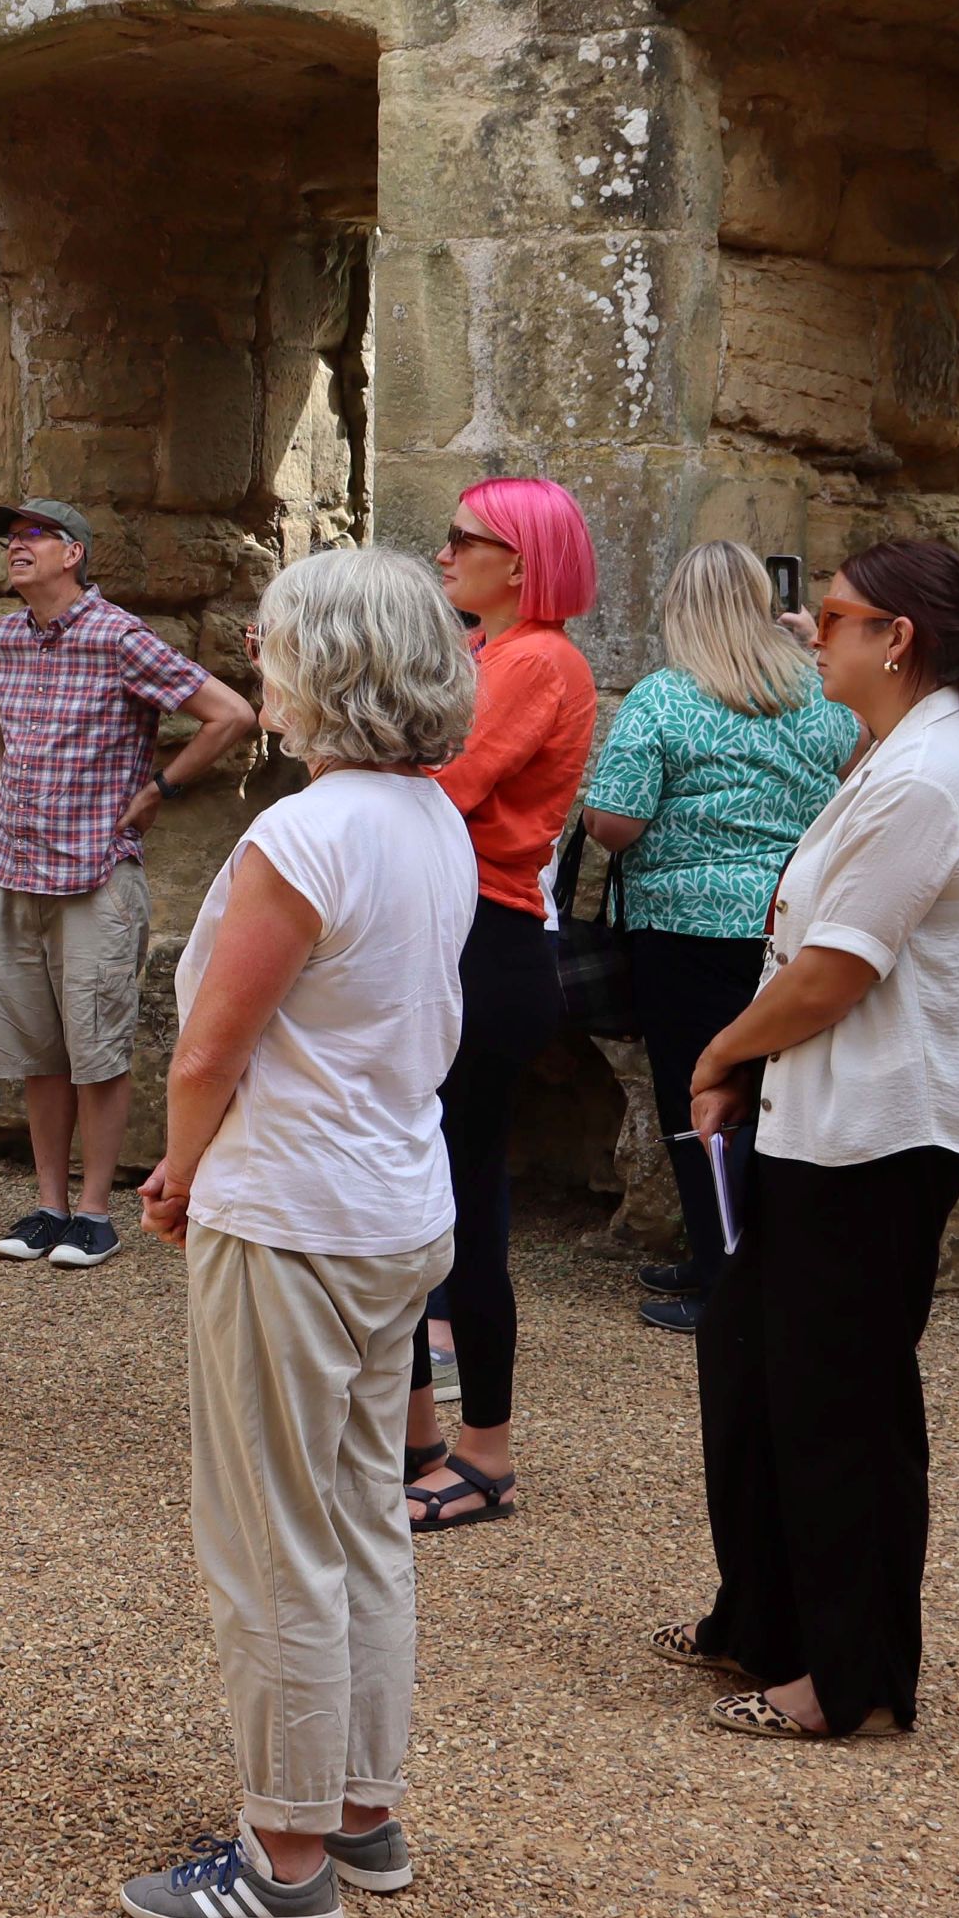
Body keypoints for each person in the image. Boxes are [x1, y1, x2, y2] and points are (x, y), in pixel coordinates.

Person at [118, 547, 481, 1918]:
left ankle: (284, 1858)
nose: (253, 659)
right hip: (392, 1204)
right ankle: (363, 1814)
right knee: (356, 1518)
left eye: (269, 643)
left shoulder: (305, 836)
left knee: (273, 1538)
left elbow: (215, 1044)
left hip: (293, 1211)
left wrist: (176, 1173)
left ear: (325, 666)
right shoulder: (427, 818)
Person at [669, 540, 959, 1741]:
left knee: (840, 1400)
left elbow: (835, 970)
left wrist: (726, 1050)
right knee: (751, 1362)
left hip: (879, 1129)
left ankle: (852, 1677)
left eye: (830, 616)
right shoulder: (899, 752)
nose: (807, 631)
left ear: (898, 639)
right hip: (829, 1117)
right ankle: (766, 1619)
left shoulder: (930, 773)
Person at [0, 499, 258, 1270]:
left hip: (96, 873)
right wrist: (3, 775)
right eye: (9, 538)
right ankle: (47, 1204)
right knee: (39, 1050)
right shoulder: (2, 638)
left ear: (74, 553)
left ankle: (94, 1212)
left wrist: (163, 785)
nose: (14, 548)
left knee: (98, 1047)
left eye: (32, 537)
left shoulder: (119, 636)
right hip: (13, 870)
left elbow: (230, 714)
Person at [579, 542, 862, 1334]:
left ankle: (723, 1284)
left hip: (686, 931)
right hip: (793, 924)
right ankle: (748, 1263)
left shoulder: (662, 700)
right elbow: (857, 771)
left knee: (694, 1099)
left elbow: (618, 825)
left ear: (680, 609)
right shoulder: (818, 690)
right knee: (778, 1099)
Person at [402, 475, 598, 1534]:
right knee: (433, 1197)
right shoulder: (498, 652)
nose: (444, 553)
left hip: (489, 940)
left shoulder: (534, 657)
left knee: (467, 1212)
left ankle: (485, 1453)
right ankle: (422, 1435)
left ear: (518, 562)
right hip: (466, 934)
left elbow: (449, 787)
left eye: (461, 537)